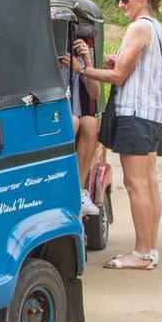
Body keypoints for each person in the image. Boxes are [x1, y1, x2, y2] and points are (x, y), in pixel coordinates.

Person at [79, 0, 162, 270]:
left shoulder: (138, 28)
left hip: (136, 114)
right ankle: (150, 249)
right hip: (153, 114)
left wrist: (81, 69)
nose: (121, 4)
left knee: (135, 183)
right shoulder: (155, 28)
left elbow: (118, 77)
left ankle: (141, 254)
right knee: (148, 182)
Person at [60, 38, 101, 216]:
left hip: (75, 115)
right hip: (53, 116)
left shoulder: (81, 55)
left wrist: (85, 63)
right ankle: (60, 186)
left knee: (89, 123)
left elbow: (95, 93)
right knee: (74, 121)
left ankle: (79, 191)